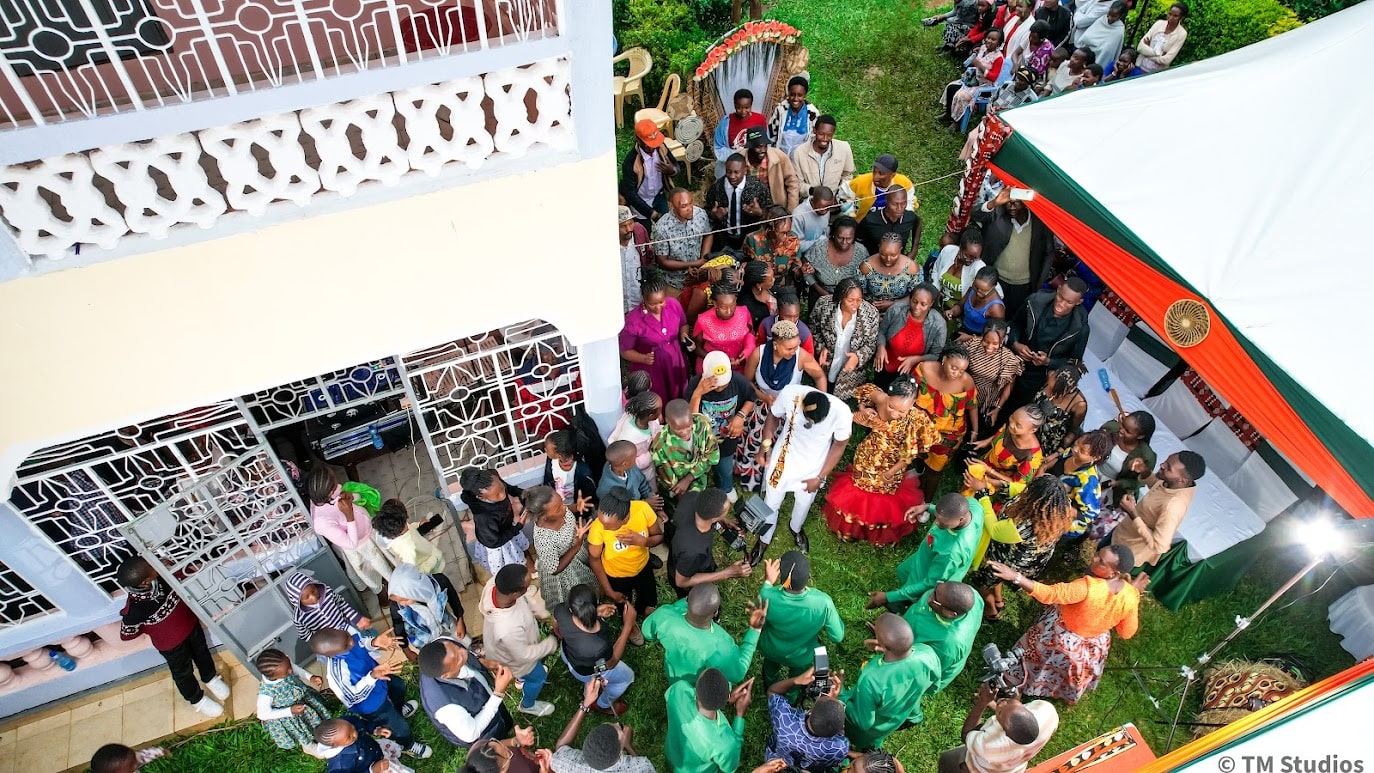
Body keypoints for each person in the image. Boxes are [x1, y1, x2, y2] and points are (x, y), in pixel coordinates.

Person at [989, 544, 1146, 703]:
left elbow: (1050, 594)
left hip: (1060, 637)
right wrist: (1132, 597)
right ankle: (1060, 693)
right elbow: (1126, 632)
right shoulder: (1131, 595)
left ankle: (1014, 686)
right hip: (1088, 648)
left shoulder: (1087, 587)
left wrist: (1015, 577)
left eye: (1101, 561)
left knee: (1026, 659)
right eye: (1098, 553)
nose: (1094, 558)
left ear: (1115, 573)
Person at [823, 377, 940, 545]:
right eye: (891, 407)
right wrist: (864, 409)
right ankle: (852, 528)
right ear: (888, 397)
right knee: (859, 491)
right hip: (867, 455)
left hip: (893, 463)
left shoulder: (915, 419)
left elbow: (909, 455)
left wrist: (890, 472)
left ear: (913, 403)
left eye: (901, 412)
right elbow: (864, 391)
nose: (894, 413)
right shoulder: (881, 398)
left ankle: (878, 533)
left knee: (884, 499)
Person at [749, 383, 852, 564]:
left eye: (814, 422)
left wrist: (820, 477)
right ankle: (763, 540)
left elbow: (840, 445)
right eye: (807, 419)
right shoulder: (790, 393)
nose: (808, 424)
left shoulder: (841, 412)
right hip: (783, 462)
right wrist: (765, 445)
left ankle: (795, 528)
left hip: (813, 470)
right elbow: (773, 416)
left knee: (804, 504)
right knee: (771, 502)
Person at [116, 557, 228, 717]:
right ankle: (197, 699)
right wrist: (154, 628)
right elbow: (127, 634)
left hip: (190, 624)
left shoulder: (164, 577)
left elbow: (185, 574)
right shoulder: (134, 610)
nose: (155, 565)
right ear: (145, 582)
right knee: (183, 672)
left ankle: (210, 678)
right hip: (171, 645)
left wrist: (170, 565)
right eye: (152, 567)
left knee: (202, 652)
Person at [312, 628, 432, 759]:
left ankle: (398, 711)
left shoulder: (347, 640)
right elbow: (353, 697)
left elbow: (362, 643)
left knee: (398, 686)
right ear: (331, 655)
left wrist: (374, 642)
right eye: (347, 645)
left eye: (348, 636)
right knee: (399, 727)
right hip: (370, 703)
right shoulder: (337, 673)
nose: (352, 642)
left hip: (379, 679)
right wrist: (373, 676)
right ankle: (407, 745)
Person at [968, 474, 1076, 619]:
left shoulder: (1026, 525)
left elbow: (995, 530)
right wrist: (997, 484)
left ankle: (991, 610)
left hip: (1009, 559)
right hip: (1028, 558)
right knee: (995, 578)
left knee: (983, 580)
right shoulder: (1057, 507)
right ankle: (999, 601)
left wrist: (982, 494)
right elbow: (1019, 490)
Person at [738, 320, 828, 492]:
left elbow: (819, 376)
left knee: (784, 445)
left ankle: (779, 481)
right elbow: (747, 382)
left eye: (796, 346)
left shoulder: (801, 356)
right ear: (775, 345)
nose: (794, 351)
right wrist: (764, 397)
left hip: (789, 408)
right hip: (763, 404)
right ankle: (753, 479)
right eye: (789, 348)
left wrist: (820, 399)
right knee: (758, 437)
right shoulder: (758, 354)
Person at [866, 493, 985, 613]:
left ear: (961, 519)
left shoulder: (952, 553)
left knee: (917, 591)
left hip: (934, 568)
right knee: (903, 571)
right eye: (937, 517)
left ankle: (905, 608)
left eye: (942, 522)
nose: (937, 523)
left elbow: (930, 583)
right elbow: (949, 513)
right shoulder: (974, 506)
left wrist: (888, 597)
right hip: (926, 555)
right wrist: (928, 507)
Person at [842, 613, 940, 751]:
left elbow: (863, 722)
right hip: (898, 717)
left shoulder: (871, 678)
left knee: (862, 742)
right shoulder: (927, 653)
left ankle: (862, 752)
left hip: (872, 730)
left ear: (882, 646)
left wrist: (839, 697)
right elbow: (933, 688)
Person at [642, 582, 765, 683]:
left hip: (673, 673)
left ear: (687, 599)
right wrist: (754, 630)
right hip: (701, 687)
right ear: (715, 613)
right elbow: (738, 673)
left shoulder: (664, 615)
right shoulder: (722, 647)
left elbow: (647, 632)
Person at [478, 564, 558, 717]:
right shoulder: (508, 627)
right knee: (538, 677)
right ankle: (528, 704)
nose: (528, 589)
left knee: (525, 672)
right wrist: (549, 644)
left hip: (508, 648)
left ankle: (521, 680)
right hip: (517, 659)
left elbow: (522, 602)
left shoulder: (496, 584)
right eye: (526, 587)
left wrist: (534, 607)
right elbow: (524, 655)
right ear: (515, 594)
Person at [1102, 451, 1206, 568]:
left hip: (1125, 552)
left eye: (1168, 468)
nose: (1162, 465)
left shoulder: (1173, 506)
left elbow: (1159, 546)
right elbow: (1157, 485)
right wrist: (1143, 471)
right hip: (1121, 534)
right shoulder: (1172, 483)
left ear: (1182, 480)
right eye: (1166, 461)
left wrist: (1133, 513)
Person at [758, 552, 845, 687]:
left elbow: (757, 618)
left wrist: (768, 582)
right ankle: (792, 697)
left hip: (771, 649)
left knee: (770, 669)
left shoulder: (766, 596)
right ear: (808, 577)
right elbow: (837, 636)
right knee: (797, 678)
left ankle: (770, 688)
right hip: (801, 656)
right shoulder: (823, 603)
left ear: (782, 579)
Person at [587, 486, 662, 641]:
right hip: (617, 575)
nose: (604, 526)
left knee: (648, 595)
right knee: (624, 603)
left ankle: (644, 609)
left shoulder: (642, 509)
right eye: (602, 521)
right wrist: (609, 590)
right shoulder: (598, 526)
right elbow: (594, 559)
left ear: (626, 517)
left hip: (642, 567)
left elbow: (658, 536)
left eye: (609, 525)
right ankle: (630, 624)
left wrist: (644, 541)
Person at [971, 186, 1055, 318]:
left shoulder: (1039, 222)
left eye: (1017, 203)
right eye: (1009, 203)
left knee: (1010, 317)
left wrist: (1039, 283)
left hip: (1022, 285)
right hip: (996, 280)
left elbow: (1049, 253)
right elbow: (975, 214)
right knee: (986, 314)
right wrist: (994, 202)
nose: (1012, 207)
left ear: (1026, 202)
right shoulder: (997, 213)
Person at [551, 584, 637, 715]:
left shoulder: (560, 611)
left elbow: (556, 627)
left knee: (589, 678)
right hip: (588, 670)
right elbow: (611, 663)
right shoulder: (598, 645)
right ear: (596, 602)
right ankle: (601, 704)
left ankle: (589, 690)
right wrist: (627, 626)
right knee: (627, 676)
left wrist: (594, 612)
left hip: (568, 655)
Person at [308, 466, 393, 596]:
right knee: (370, 570)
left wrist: (353, 497)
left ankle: (392, 579)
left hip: (369, 530)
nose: (338, 486)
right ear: (330, 492)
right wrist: (349, 515)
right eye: (335, 484)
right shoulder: (321, 522)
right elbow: (351, 543)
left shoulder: (329, 493)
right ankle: (381, 593)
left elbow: (355, 498)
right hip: (360, 548)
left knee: (385, 558)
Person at [416, 635, 515, 747]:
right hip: (483, 732)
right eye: (458, 658)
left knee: (502, 715)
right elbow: (472, 733)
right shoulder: (445, 707)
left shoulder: (444, 645)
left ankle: (508, 726)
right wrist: (498, 694)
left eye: (456, 646)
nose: (462, 651)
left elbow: (465, 653)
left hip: (486, 696)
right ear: (446, 675)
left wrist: (481, 662)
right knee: (497, 740)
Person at [938, 682, 1060, 773]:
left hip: (976, 768)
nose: (1001, 702)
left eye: (1000, 713)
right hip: (1012, 769)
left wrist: (982, 702)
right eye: (1010, 703)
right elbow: (1012, 716)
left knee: (947, 760)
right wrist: (998, 707)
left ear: (1005, 733)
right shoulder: (1047, 712)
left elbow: (966, 735)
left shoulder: (989, 745)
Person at [1007, 279, 1089, 411]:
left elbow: (1074, 362)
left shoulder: (1080, 329)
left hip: (1039, 377)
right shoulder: (1034, 302)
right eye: (1060, 297)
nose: (1061, 304)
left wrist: (1049, 362)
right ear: (1058, 288)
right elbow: (1015, 323)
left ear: (1079, 302)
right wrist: (1015, 343)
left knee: (1017, 409)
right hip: (1013, 361)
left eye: (1069, 302)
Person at [688, 350, 759, 497]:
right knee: (699, 467)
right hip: (702, 440)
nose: (720, 388)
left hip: (726, 439)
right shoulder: (695, 384)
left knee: (725, 466)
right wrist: (698, 394)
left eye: (723, 384)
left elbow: (751, 398)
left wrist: (740, 416)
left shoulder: (738, 381)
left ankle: (725, 487)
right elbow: (691, 417)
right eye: (715, 385)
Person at [913, 344, 980, 496]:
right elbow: (910, 391)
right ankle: (918, 471)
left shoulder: (966, 381)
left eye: (962, 370)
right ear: (944, 359)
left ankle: (926, 501)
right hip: (921, 425)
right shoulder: (924, 368)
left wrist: (975, 430)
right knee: (920, 454)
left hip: (949, 433)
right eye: (954, 367)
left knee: (935, 469)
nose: (957, 373)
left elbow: (972, 405)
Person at [552, 678, 656, 772]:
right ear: (620, 755)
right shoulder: (642, 766)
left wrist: (586, 704)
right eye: (620, 729)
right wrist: (628, 746)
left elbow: (561, 747)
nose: (616, 723)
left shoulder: (566, 765)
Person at [620, 273, 691, 406]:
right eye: (652, 304)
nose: (658, 308)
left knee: (679, 393)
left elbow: (684, 324)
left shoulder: (674, 305)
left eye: (661, 302)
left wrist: (684, 335)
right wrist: (643, 358)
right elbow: (625, 351)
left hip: (675, 360)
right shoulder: (633, 321)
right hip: (651, 369)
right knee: (658, 400)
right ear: (644, 301)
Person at [521, 486, 596, 611]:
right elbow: (555, 569)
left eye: (561, 502)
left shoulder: (558, 509)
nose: (564, 508)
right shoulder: (543, 539)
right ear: (543, 516)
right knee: (574, 597)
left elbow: (566, 509)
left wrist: (576, 507)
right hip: (565, 567)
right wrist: (577, 546)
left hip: (576, 549)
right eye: (558, 508)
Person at [665, 668, 752, 773]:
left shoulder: (678, 691)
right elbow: (729, 768)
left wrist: (726, 696)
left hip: (673, 757)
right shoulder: (725, 746)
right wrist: (740, 714)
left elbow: (673, 694)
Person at [669, 488, 752, 596]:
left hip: (683, 551)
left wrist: (724, 520)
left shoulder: (692, 497)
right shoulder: (694, 551)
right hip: (689, 578)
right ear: (713, 518)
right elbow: (681, 582)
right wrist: (726, 573)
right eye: (726, 511)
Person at [810, 277, 882, 401]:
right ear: (840, 298)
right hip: (827, 364)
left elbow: (870, 344)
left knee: (844, 401)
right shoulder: (823, 305)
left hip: (851, 372)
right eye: (851, 300)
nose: (855, 305)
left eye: (859, 300)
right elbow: (813, 329)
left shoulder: (871, 314)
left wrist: (858, 357)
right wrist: (821, 348)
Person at [907, 581, 984, 693]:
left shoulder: (948, 645)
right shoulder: (973, 595)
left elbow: (926, 671)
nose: (929, 596)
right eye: (936, 589)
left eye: (934, 599)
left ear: (950, 614)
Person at [765, 668, 850, 770]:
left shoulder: (784, 719)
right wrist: (833, 700)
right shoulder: (840, 748)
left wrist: (796, 680)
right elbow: (840, 735)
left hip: (776, 764)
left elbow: (773, 691)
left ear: (810, 712)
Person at [254, 648, 330, 757]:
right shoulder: (266, 693)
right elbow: (262, 714)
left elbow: (296, 669)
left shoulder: (284, 667)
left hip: (302, 702)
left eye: (289, 665)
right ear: (273, 677)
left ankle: (320, 732)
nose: (290, 671)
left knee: (311, 720)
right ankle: (310, 747)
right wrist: (289, 711)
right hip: (290, 717)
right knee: (301, 732)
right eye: (287, 672)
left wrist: (310, 677)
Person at [459, 468, 534, 575]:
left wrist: (525, 495)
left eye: (502, 490)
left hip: (507, 527)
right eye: (497, 495)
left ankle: (525, 560)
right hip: (498, 543)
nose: (503, 495)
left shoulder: (493, 479)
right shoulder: (484, 516)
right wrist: (518, 527)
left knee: (518, 547)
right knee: (508, 564)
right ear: (482, 498)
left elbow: (509, 488)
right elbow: (493, 542)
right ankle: (515, 578)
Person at [874, 281, 947, 389]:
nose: (917, 307)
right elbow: (882, 331)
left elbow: (935, 355)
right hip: (886, 362)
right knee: (878, 393)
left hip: (912, 371)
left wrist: (915, 359)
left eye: (923, 304)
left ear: (931, 304)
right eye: (914, 301)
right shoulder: (896, 310)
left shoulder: (938, 325)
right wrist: (881, 347)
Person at [973, 405, 1046, 509]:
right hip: (986, 464)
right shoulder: (1012, 427)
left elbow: (1016, 484)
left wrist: (990, 471)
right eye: (1012, 417)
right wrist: (985, 442)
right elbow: (999, 436)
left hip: (997, 483)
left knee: (976, 505)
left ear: (1032, 430)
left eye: (1018, 425)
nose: (1011, 424)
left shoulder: (1031, 457)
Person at [960, 319, 1024, 436]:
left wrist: (998, 409)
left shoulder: (1008, 359)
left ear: (1003, 340)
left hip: (985, 404)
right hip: (965, 395)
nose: (989, 346)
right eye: (986, 341)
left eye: (995, 343)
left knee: (974, 433)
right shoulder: (972, 345)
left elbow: (1008, 386)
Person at [651, 398, 720, 501]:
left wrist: (689, 478)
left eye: (688, 426)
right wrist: (681, 494)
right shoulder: (660, 445)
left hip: (699, 478)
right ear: (667, 421)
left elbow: (713, 456)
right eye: (678, 429)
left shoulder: (702, 425)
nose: (685, 432)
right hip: (676, 491)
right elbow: (668, 481)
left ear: (691, 418)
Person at [1050, 429, 1113, 540]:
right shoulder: (1071, 453)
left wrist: (1059, 509)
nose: (1075, 449)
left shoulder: (1088, 482)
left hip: (1062, 523)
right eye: (1077, 443)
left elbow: (1090, 514)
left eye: (1082, 451)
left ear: (1096, 457)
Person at [388, 563, 463, 655]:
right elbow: (398, 627)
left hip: (446, 626)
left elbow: (453, 597)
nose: (402, 604)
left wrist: (460, 620)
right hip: (424, 641)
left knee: (458, 648)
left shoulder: (438, 583)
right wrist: (406, 650)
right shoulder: (396, 605)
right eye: (398, 601)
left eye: (405, 599)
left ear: (416, 590)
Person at [652, 188, 713, 294]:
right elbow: (662, 261)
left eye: (690, 203)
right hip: (674, 282)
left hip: (700, 276)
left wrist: (703, 260)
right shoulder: (662, 228)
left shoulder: (700, 214)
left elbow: (708, 235)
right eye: (684, 206)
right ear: (671, 206)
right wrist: (693, 264)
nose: (690, 208)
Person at [708, 153, 774, 251]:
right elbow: (707, 211)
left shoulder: (757, 187)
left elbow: (771, 213)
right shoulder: (717, 187)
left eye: (736, 172)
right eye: (728, 172)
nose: (732, 176)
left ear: (745, 171)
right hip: (723, 241)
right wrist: (714, 215)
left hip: (751, 242)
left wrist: (760, 212)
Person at [941, 29, 1006, 125]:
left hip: (985, 86)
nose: (989, 41)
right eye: (988, 38)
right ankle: (948, 113)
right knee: (951, 87)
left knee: (962, 96)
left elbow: (993, 78)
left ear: (999, 43)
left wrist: (980, 65)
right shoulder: (983, 48)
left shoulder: (998, 58)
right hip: (973, 79)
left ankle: (957, 122)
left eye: (993, 40)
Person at [620, 119, 678, 225]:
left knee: (667, 226)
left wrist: (672, 170)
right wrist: (653, 214)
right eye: (648, 144)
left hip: (658, 196)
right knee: (643, 232)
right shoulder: (630, 163)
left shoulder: (661, 148)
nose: (653, 147)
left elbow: (676, 167)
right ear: (638, 140)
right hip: (639, 202)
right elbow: (631, 195)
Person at [285, 571, 371, 642]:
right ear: (297, 600)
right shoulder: (299, 618)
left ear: (315, 584)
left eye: (314, 591)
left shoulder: (327, 592)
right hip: (330, 642)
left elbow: (341, 604)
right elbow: (306, 636)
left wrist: (357, 619)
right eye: (306, 597)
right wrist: (322, 644)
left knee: (363, 642)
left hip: (346, 626)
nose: (314, 597)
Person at [1097, 410, 1158, 504]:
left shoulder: (1146, 456)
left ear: (1140, 436)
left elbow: (1137, 483)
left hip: (1112, 489)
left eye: (1127, 431)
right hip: (1090, 471)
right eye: (1123, 425)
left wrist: (1117, 483)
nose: (1121, 431)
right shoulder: (1110, 428)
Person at [313, 717, 416, 773]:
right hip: (375, 767)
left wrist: (375, 730)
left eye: (352, 728)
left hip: (375, 748)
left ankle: (400, 752)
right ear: (335, 745)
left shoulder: (345, 724)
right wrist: (371, 770)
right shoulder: (340, 764)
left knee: (390, 747)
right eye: (349, 737)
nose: (355, 733)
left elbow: (361, 723)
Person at [693, 283, 757, 371]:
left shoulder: (743, 312)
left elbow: (750, 333)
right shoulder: (703, 320)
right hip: (713, 366)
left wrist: (747, 351)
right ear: (715, 304)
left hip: (738, 364)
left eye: (732, 305)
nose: (729, 311)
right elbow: (697, 347)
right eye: (724, 307)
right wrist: (716, 360)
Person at [804, 215, 867, 302]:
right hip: (820, 294)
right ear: (833, 234)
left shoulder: (861, 252)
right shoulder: (819, 248)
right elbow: (806, 271)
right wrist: (821, 291)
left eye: (849, 238)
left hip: (850, 299)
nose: (844, 242)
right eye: (840, 238)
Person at [860, 233, 926, 315]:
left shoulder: (912, 268)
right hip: (871, 310)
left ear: (900, 250)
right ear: (879, 247)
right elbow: (859, 293)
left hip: (901, 310)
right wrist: (871, 309)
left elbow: (917, 296)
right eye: (883, 254)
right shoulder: (866, 267)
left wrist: (893, 304)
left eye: (893, 255)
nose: (888, 259)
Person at [608, 389, 663, 489]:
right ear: (650, 416)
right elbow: (632, 464)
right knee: (649, 491)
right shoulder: (630, 439)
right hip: (641, 475)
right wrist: (651, 453)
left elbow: (656, 430)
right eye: (659, 411)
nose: (661, 413)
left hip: (650, 469)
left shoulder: (647, 420)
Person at [1030, 363, 1087, 457]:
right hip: (1028, 426)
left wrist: (1058, 453)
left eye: (1058, 390)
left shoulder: (1079, 403)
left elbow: (1073, 431)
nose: (1053, 393)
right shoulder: (1050, 375)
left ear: (1070, 388)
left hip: (1046, 443)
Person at [791, 115, 855, 196]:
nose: (825, 138)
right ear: (814, 131)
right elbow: (797, 183)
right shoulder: (799, 153)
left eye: (829, 135)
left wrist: (840, 194)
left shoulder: (844, 148)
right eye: (821, 134)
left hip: (836, 199)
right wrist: (813, 191)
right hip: (810, 200)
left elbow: (847, 175)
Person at [931, 226, 991, 313]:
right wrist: (936, 289)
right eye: (968, 255)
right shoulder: (948, 251)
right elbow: (936, 269)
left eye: (975, 258)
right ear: (960, 247)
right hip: (937, 301)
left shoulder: (979, 267)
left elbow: (994, 291)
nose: (971, 260)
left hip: (958, 310)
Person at [713, 88, 768, 179]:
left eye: (747, 107)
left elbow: (766, 144)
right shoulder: (725, 123)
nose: (743, 111)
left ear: (751, 105)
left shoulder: (760, 120)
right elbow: (719, 149)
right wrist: (740, 153)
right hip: (733, 169)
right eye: (739, 108)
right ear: (734, 105)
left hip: (755, 168)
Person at [744, 128, 801, 213]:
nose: (763, 150)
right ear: (750, 147)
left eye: (765, 146)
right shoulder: (739, 158)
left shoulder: (780, 157)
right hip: (747, 207)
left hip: (775, 207)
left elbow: (793, 183)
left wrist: (791, 211)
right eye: (758, 147)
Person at [544, 428, 598, 517]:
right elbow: (548, 479)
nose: (545, 450)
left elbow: (589, 493)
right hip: (557, 507)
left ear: (559, 455)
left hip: (576, 510)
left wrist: (579, 509)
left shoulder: (583, 471)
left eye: (547, 449)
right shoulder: (551, 460)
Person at [858, 186, 921, 260]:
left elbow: (918, 223)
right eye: (895, 204)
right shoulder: (870, 220)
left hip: (897, 263)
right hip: (873, 262)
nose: (899, 208)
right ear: (886, 201)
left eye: (903, 203)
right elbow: (858, 241)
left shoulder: (909, 217)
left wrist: (914, 249)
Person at [746, 205, 803, 286]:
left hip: (783, 284)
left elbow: (795, 268)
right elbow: (748, 268)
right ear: (769, 229)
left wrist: (800, 270)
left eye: (788, 232)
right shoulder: (752, 240)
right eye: (782, 233)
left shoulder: (793, 239)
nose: (786, 237)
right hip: (759, 286)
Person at [847, 154, 913, 223]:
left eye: (881, 174)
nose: (875, 177)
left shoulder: (904, 183)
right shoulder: (860, 182)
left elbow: (910, 205)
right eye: (874, 172)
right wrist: (852, 219)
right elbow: (845, 197)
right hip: (863, 225)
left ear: (892, 175)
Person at [769, 76, 822, 158]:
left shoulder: (812, 113)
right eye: (792, 95)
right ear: (788, 93)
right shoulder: (781, 110)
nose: (795, 99)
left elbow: (816, 138)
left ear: (805, 95)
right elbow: (771, 134)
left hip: (800, 160)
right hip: (780, 157)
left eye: (799, 95)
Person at [950, 266, 1006, 336]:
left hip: (980, 338)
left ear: (993, 287)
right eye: (976, 287)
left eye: (983, 291)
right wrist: (952, 311)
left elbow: (996, 336)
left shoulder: (996, 308)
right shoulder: (972, 289)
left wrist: (970, 338)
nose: (978, 293)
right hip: (964, 328)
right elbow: (960, 306)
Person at [758, 289, 815, 356]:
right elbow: (758, 347)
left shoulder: (804, 333)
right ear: (778, 311)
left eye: (796, 316)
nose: (792, 321)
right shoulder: (766, 324)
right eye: (788, 316)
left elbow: (809, 357)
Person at [1077, 1, 1128, 72]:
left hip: (1098, 61)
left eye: (1113, 16)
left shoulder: (1119, 31)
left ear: (1121, 16)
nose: (1109, 18)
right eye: (1109, 14)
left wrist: (1096, 47)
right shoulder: (1102, 20)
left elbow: (1108, 51)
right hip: (1086, 55)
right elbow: (1086, 37)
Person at [617, 206, 651, 313]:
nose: (628, 229)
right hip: (617, 306)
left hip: (638, 302)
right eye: (623, 226)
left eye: (630, 223)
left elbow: (649, 259)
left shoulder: (639, 233)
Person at [1137, 3, 1188, 73]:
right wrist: (1159, 53)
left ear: (1182, 17)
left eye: (1175, 16)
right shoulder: (1159, 23)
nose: (1171, 17)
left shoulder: (1182, 34)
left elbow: (1167, 60)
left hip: (1156, 74)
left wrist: (1147, 52)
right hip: (1139, 67)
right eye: (1170, 14)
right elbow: (1140, 47)